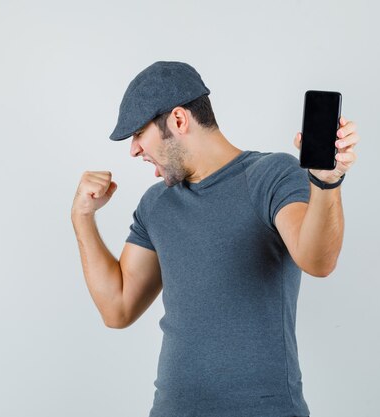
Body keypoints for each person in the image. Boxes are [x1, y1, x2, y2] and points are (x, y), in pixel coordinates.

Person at [71, 61, 359, 417]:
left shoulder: (271, 175)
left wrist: (325, 182)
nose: (133, 150)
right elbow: (117, 310)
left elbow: (318, 261)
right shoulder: (156, 204)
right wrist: (82, 217)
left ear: (178, 120)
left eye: (138, 134)